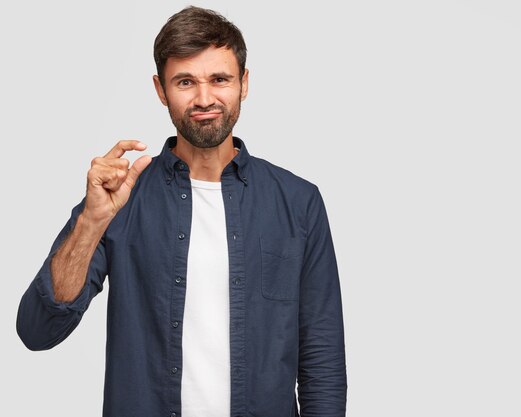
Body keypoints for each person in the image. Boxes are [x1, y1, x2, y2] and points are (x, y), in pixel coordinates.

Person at [16, 6, 347, 417]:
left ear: (244, 83)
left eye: (220, 79)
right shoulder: (120, 197)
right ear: (160, 89)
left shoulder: (299, 202)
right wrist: (92, 220)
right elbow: (37, 330)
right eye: (185, 82)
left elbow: (322, 358)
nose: (204, 98)